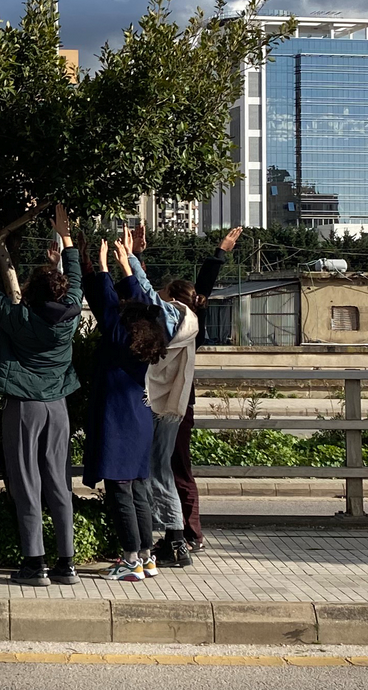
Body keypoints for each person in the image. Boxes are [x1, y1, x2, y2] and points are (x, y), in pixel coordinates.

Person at [0, 207, 82, 586]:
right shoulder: (73, 313)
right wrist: (65, 241)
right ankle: (67, 563)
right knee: (59, 483)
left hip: (25, 406)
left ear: (31, 291)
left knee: (26, 481)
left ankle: (35, 563)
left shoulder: (20, 319)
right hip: (58, 406)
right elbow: (76, 278)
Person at [141, 225, 241, 553]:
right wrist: (220, 253)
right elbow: (202, 290)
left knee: (175, 467)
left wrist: (136, 256)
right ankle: (182, 532)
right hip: (181, 404)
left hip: (166, 405)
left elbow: (145, 296)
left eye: (167, 297)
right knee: (175, 466)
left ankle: (189, 533)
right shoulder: (194, 324)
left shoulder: (174, 325)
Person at [82, 238, 169, 582]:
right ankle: (147, 557)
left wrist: (104, 264)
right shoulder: (151, 336)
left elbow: (105, 304)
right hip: (139, 419)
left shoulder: (119, 339)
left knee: (120, 491)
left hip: (117, 420)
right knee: (138, 489)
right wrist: (126, 265)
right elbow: (144, 302)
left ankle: (131, 559)